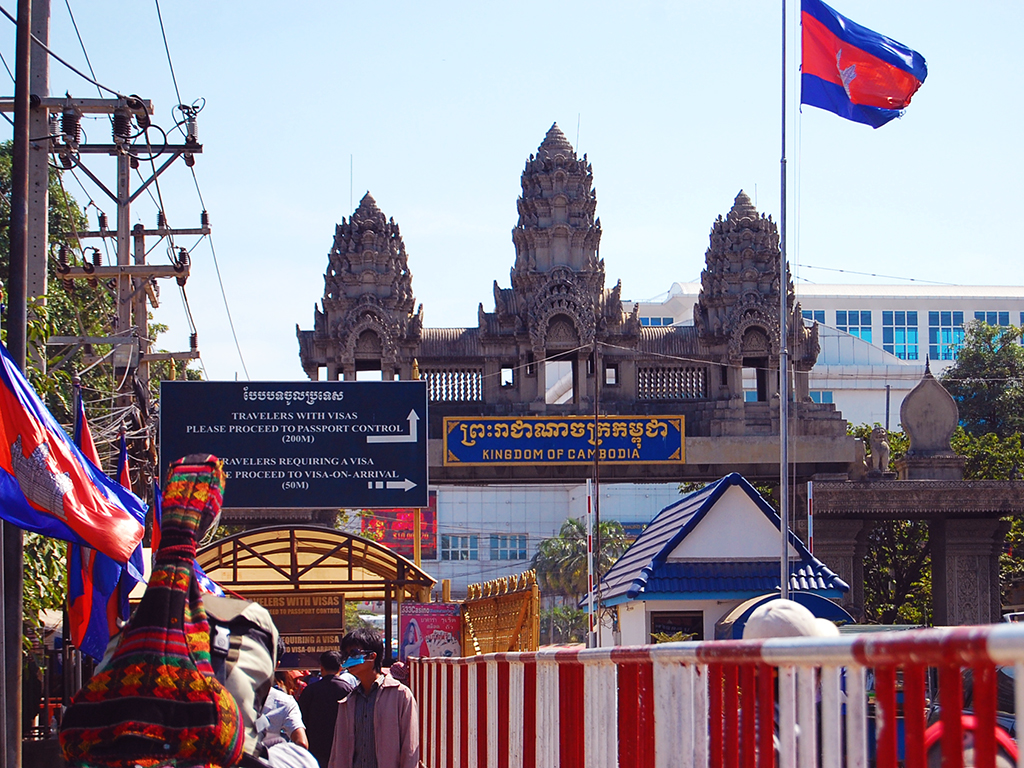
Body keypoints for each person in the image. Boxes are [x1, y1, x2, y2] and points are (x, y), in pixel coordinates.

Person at [327, 628, 419, 768]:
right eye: (346, 655)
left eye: (354, 654)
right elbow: (337, 753)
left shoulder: (400, 695)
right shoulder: (348, 701)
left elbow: (410, 749)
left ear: (372, 656)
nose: (349, 660)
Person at [298, 650, 357, 768]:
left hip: (315, 749)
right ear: (341, 668)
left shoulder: (310, 690)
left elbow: (301, 718)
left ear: (321, 667)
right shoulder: (349, 690)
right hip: (342, 747)